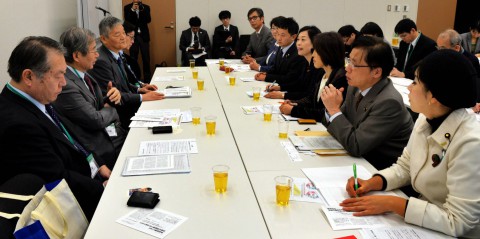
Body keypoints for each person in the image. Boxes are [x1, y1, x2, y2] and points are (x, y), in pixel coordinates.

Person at [341, 50, 480, 238]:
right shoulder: (426, 118)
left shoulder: (471, 142)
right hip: (426, 223)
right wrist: (373, 182)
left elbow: (459, 221)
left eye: (415, 82)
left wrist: (393, 204)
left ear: (433, 97)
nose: (409, 88)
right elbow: (406, 167)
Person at [0, 36, 105, 220]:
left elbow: (69, 139)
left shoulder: (36, 98)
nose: (64, 83)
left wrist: (98, 165)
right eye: (58, 75)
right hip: (73, 207)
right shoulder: (18, 125)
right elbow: (57, 179)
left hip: (88, 177)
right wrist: (105, 190)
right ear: (29, 76)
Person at [321, 36, 413, 170]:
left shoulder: (389, 102)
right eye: (348, 61)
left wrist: (334, 110)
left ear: (376, 72)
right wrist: (332, 110)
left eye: (354, 64)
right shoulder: (355, 87)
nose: (347, 68)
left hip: (377, 169)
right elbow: (340, 126)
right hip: (356, 161)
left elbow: (356, 145)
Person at [54, 26, 126, 170]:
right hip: (100, 149)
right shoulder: (66, 86)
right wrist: (111, 108)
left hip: (111, 134)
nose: (97, 55)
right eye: (93, 50)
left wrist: (111, 98)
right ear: (77, 56)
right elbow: (96, 119)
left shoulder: (83, 73)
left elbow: (97, 106)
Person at [89, 16, 163, 130]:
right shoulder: (101, 61)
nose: (123, 37)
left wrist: (139, 89)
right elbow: (115, 96)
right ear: (103, 39)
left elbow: (124, 84)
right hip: (121, 116)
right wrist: (142, 97)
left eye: (123, 33)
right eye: (117, 35)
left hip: (129, 106)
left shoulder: (117, 54)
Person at [280, 31, 348, 121]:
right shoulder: (323, 74)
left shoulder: (340, 79)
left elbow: (325, 112)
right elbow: (311, 99)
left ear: (327, 52)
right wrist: (295, 103)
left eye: (316, 51)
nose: (313, 55)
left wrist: (294, 110)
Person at [265, 26, 323, 100]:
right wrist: (280, 87)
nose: (298, 43)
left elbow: (308, 94)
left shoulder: (318, 66)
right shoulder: (305, 62)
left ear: (315, 42)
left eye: (303, 40)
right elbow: (298, 84)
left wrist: (283, 95)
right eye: (298, 39)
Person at [254, 17, 306, 95]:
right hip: (280, 87)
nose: (279, 38)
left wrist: (267, 77)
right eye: (277, 34)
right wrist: (265, 73)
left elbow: (289, 78)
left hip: (291, 92)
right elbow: (275, 68)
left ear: (294, 37)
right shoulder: (281, 47)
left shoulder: (298, 53)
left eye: (283, 35)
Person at [124, 0, 152, 82]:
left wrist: (141, 10)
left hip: (144, 37)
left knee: (146, 59)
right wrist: (132, 10)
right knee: (133, 59)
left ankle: (148, 80)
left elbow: (148, 20)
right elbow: (127, 20)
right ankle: (135, 80)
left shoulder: (146, 7)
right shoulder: (127, 8)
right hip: (133, 37)